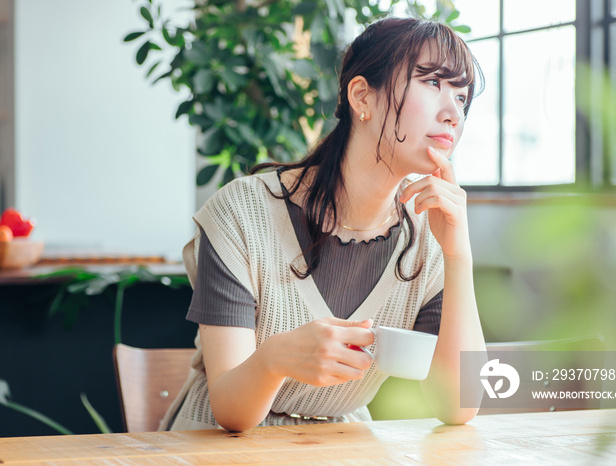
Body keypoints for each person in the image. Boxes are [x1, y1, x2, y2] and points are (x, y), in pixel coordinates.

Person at [160, 16, 487, 432]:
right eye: (433, 83)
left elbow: (459, 406)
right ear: (362, 96)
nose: (453, 113)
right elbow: (230, 410)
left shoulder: (430, 235)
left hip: (339, 447)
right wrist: (275, 358)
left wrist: (459, 256)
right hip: (218, 448)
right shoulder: (243, 212)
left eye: (462, 97)